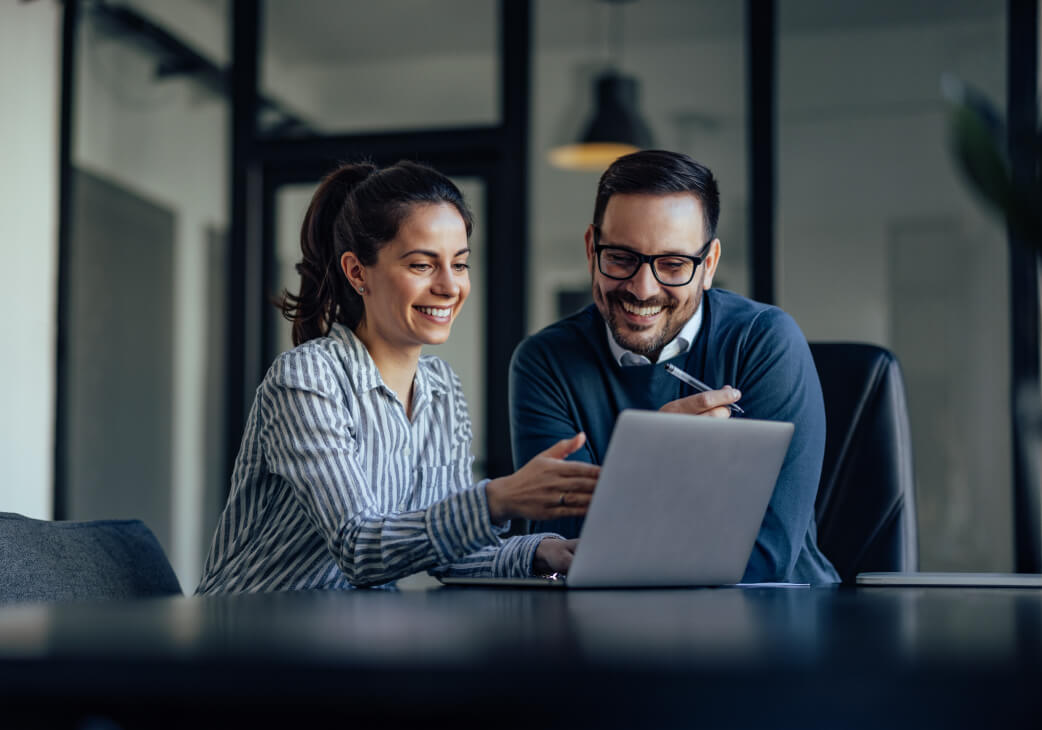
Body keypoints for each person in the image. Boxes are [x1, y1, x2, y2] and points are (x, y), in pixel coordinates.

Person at [198, 160, 599, 594]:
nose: (450, 286)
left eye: (459, 264)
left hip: (349, 637)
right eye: (422, 265)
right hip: (248, 637)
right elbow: (359, 548)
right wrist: (497, 498)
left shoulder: (442, 388)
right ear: (357, 272)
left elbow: (449, 551)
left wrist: (543, 553)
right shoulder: (306, 378)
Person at [509, 150, 839, 584]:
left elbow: (766, 553)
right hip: (609, 631)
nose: (643, 289)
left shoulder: (765, 342)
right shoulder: (544, 363)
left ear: (709, 265)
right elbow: (572, 551)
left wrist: (631, 499)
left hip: (776, 620)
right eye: (622, 258)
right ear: (592, 249)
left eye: (672, 264)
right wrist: (655, 461)